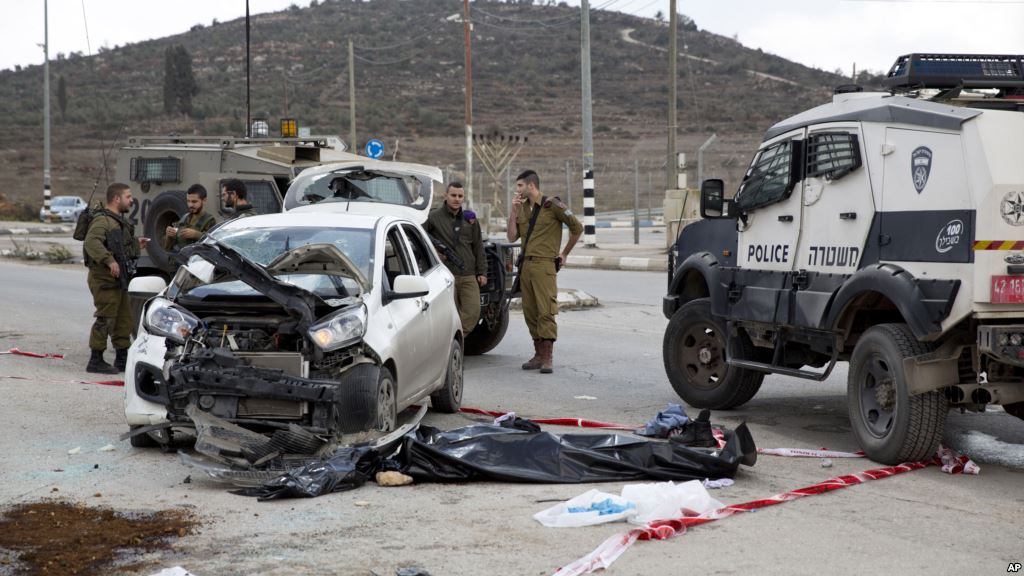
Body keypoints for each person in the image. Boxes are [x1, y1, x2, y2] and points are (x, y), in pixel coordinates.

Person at [507, 169, 582, 374]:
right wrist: (513, 213)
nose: (517, 190)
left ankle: (548, 357)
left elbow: (577, 227)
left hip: (544, 265)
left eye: (520, 186)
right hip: (526, 267)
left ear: (531, 185)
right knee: (530, 312)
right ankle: (538, 355)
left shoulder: (552, 206)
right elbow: (512, 237)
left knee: (545, 310)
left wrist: (564, 253)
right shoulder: (521, 208)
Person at [83, 183, 149, 373]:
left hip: (119, 279)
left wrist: (137, 245)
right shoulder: (102, 220)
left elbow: (119, 246)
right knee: (106, 317)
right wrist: (109, 260)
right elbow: (91, 242)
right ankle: (95, 360)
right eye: (128, 197)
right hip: (104, 279)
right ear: (117, 199)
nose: (131, 200)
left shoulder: (117, 221)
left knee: (124, 318)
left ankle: (122, 358)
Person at [423, 182, 487, 335]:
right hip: (445, 275)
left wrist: (482, 272)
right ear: (446, 196)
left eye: (460, 196)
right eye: (453, 195)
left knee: (473, 311)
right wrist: (435, 254)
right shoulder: (433, 217)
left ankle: (455, 339)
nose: (456, 199)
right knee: (448, 312)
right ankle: (451, 346)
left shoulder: (469, 219)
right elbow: (419, 240)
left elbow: (478, 246)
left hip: (468, 273)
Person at [163, 184, 215, 252]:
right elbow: (167, 248)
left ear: (204, 200)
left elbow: (213, 243)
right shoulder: (184, 219)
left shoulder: (209, 220)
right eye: (188, 201)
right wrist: (169, 235)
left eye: (194, 201)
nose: (190, 205)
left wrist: (196, 234)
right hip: (181, 259)